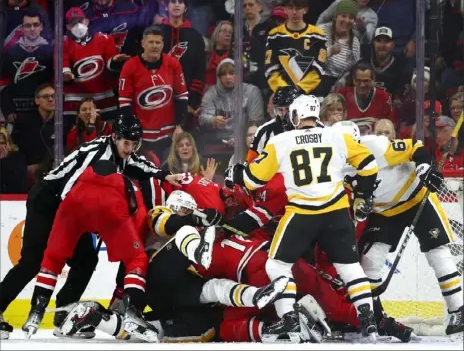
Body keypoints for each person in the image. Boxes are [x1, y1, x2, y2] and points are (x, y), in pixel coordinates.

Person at [0, 114, 182, 340]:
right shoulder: (96, 152)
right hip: (49, 202)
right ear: (114, 137)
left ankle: (63, 316)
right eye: (127, 143)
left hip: (73, 208)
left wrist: (165, 175)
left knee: (86, 260)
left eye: (134, 144)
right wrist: (83, 222)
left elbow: (138, 165)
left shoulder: (121, 153)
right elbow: (69, 190)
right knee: (33, 261)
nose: (130, 148)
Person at [226, 94, 379, 342]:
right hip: (337, 212)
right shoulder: (337, 136)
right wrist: (363, 195)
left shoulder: (282, 141)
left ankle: (289, 319)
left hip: (302, 213)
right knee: (350, 268)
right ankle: (368, 320)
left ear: (296, 115)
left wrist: (239, 173)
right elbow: (369, 165)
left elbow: (255, 180)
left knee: (276, 266)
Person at [54, 190, 290, 342]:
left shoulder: (193, 230)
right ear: (173, 205)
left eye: (190, 210)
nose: (186, 213)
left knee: (162, 327)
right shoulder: (160, 213)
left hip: (176, 291)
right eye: (183, 209)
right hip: (157, 275)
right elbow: (166, 224)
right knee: (184, 233)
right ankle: (199, 253)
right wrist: (195, 219)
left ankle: (94, 318)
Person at [333, 120, 464, 337]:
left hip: (415, 197)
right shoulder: (332, 165)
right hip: (383, 211)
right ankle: (374, 315)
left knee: (437, 252)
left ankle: (458, 310)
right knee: (371, 261)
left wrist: (424, 169)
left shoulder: (376, 146)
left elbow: (415, 148)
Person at [21, 160, 160, 341]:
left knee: (52, 259)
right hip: (111, 207)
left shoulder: (81, 176)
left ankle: (36, 312)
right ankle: (132, 313)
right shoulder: (134, 190)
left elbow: (63, 193)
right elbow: (136, 233)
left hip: (73, 205)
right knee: (137, 258)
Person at [118, 25, 188, 161]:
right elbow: (124, 101)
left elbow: (182, 96)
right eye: (151, 42)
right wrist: (133, 130)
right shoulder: (130, 66)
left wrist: (179, 125)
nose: (154, 46)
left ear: (163, 44)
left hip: (169, 133)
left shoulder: (173, 64)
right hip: (142, 134)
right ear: (143, 43)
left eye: (158, 42)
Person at [246, 85, 302, 163]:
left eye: (288, 109)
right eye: (280, 110)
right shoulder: (264, 131)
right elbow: (250, 162)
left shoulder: (312, 127)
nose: (284, 113)